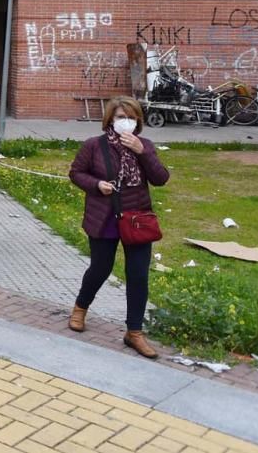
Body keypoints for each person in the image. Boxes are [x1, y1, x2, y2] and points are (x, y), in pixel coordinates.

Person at [68, 97, 170, 359]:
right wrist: (96, 185)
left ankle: (134, 332)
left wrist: (142, 151)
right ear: (110, 120)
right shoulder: (95, 145)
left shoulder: (144, 145)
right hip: (105, 217)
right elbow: (76, 173)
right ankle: (80, 307)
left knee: (138, 274)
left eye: (132, 117)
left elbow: (160, 179)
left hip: (137, 219)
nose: (126, 121)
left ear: (138, 121)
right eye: (120, 116)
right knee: (100, 268)